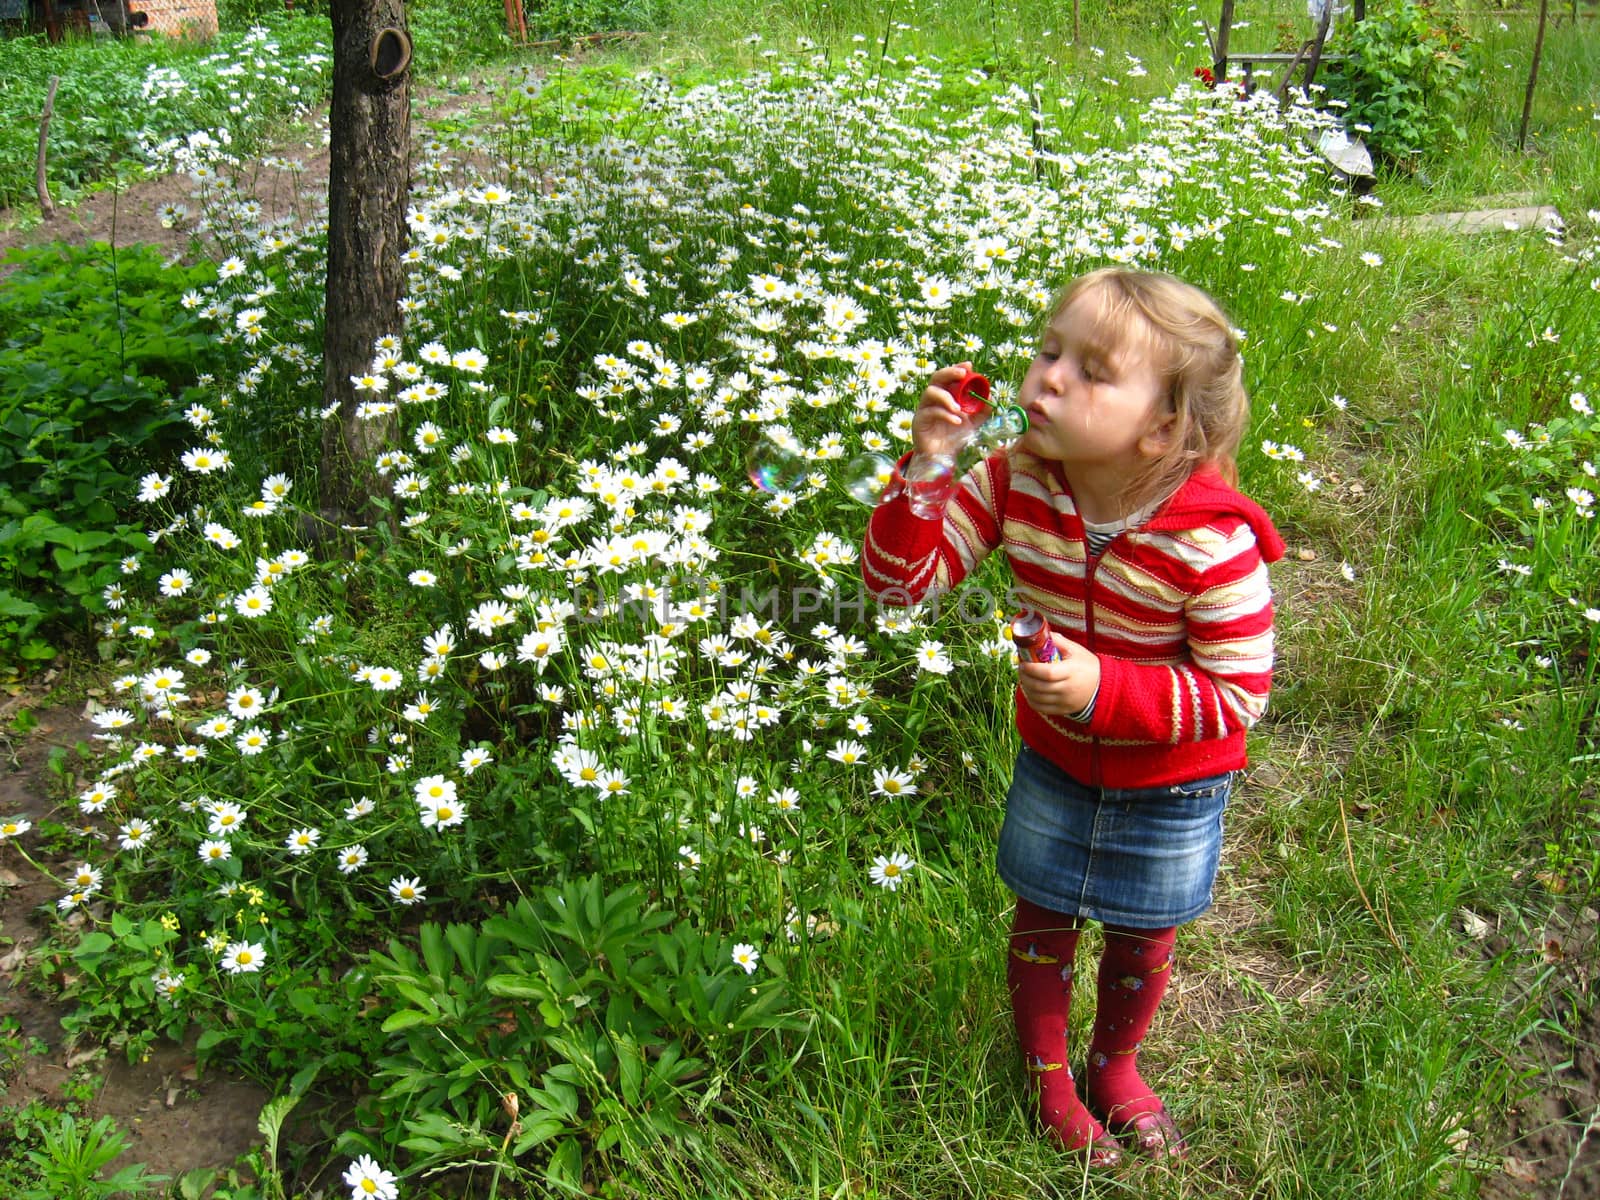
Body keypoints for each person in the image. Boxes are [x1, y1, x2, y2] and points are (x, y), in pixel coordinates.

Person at [860, 267, 1286, 1169]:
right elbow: (902, 588)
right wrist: (930, 463)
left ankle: (1115, 1063)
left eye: (1092, 370)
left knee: (1144, 928)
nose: (1049, 377)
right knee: (1043, 914)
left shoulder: (1212, 541)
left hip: (1172, 782)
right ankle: (1049, 1073)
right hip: (1057, 759)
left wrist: (1108, 690)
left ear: (1164, 426)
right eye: (1050, 350)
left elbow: (1239, 694)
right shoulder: (1015, 482)